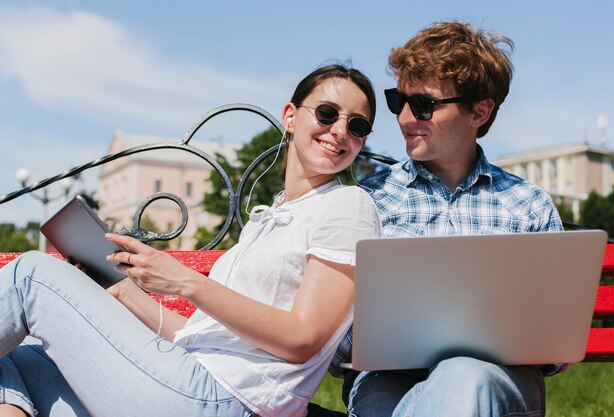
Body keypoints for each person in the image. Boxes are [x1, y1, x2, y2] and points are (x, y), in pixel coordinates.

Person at [0, 64, 382, 417]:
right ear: (290, 117)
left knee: (29, 276)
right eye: (328, 113)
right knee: (17, 360)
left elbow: (304, 338)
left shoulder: (349, 205)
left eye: (358, 125)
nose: (340, 131)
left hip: (225, 398)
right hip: (187, 380)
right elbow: (199, 337)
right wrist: (127, 293)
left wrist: (184, 280)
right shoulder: (269, 218)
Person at [333, 21, 564, 417]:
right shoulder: (368, 201)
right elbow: (333, 339)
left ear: (480, 110)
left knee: (464, 377)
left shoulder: (529, 206)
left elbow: (557, 346)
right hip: (388, 380)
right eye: (397, 100)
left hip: (502, 378)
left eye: (423, 104)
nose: (404, 118)